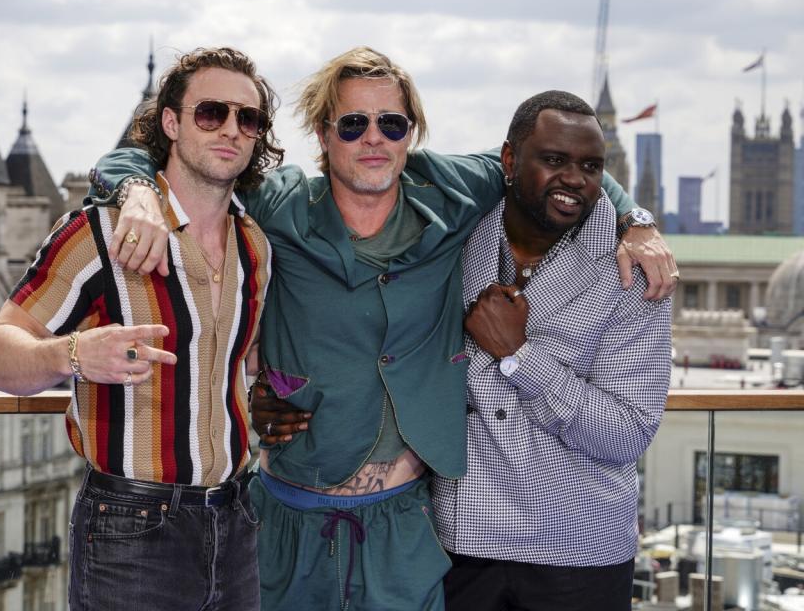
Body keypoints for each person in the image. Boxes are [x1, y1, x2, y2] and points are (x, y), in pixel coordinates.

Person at [88, 47, 677, 610]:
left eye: (392, 124)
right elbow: (169, 162)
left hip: (435, 537)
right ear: (321, 134)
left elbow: (570, 169)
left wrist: (636, 218)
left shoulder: (455, 194)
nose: (374, 138)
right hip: (297, 526)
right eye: (352, 125)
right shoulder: (279, 203)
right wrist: (136, 191)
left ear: (411, 133)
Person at [0, 47, 281, 610]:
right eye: (211, 112)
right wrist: (71, 353)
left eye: (249, 118)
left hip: (236, 520)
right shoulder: (99, 234)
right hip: (130, 526)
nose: (231, 129)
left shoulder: (255, 247)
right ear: (171, 122)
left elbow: (241, 360)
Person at [437, 91, 672, 611]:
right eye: (553, 160)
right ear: (509, 161)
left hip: (578, 551)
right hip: (461, 544)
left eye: (592, 166)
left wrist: (519, 356)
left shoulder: (633, 273)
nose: (575, 179)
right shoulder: (453, 239)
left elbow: (628, 432)